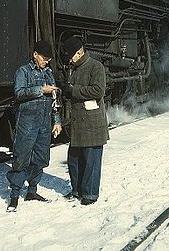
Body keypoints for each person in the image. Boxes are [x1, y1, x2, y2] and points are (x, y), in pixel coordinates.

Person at [7, 40, 62, 212]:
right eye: (44, 58)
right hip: (27, 124)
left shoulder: (49, 73)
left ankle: (32, 191)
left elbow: (54, 101)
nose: (46, 62)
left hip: (44, 124)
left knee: (40, 159)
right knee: (21, 159)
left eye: (49, 59)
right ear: (35, 55)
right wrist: (41, 90)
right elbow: (19, 93)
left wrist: (57, 121)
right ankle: (14, 196)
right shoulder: (23, 72)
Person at [62, 36, 109, 205]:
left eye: (71, 55)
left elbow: (98, 91)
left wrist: (73, 90)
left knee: (91, 160)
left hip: (92, 122)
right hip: (78, 123)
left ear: (80, 52)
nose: (69, 59)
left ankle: (90, 194)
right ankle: (77, 190)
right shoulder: (74, 68)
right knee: (74, 159)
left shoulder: (96, 67)